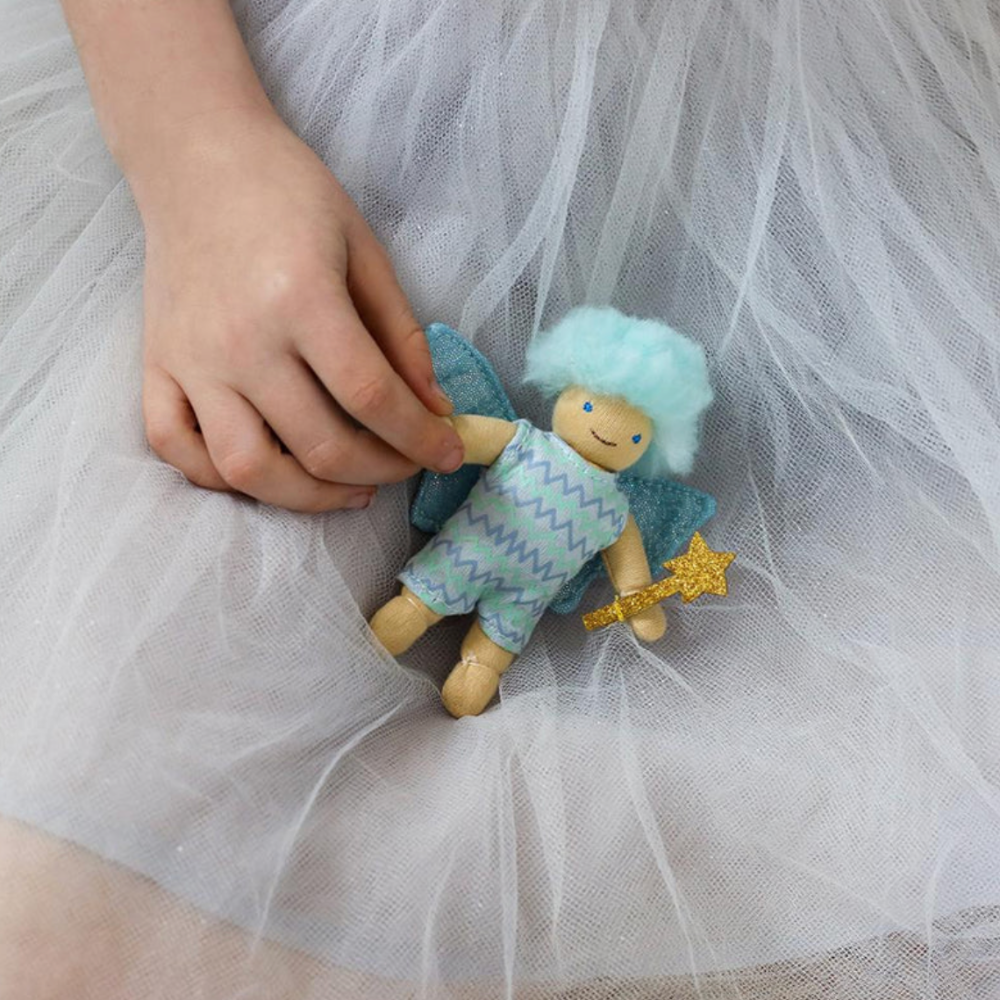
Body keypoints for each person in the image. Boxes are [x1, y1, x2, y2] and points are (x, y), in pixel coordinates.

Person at [3, 1, 1000, 998]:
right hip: (341, 146)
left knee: (870, 829)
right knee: (95, 857)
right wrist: (200, 153)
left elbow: (627, 547)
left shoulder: (630, 488)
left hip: (834, 226)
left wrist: (637, 590)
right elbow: (465, 434)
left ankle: (468, 655)